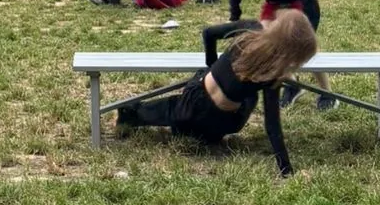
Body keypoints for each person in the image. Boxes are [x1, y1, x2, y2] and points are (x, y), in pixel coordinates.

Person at [117, 12, 319, 173]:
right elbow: (272, 125)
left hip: (192, 104)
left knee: (176, 111)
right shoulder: (271, 76)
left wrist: (211, 65)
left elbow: (209, 32)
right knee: (250, 95)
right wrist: (285, 169)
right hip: (224, 122)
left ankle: (132, 114)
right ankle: (187, 129)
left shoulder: (250, 29)